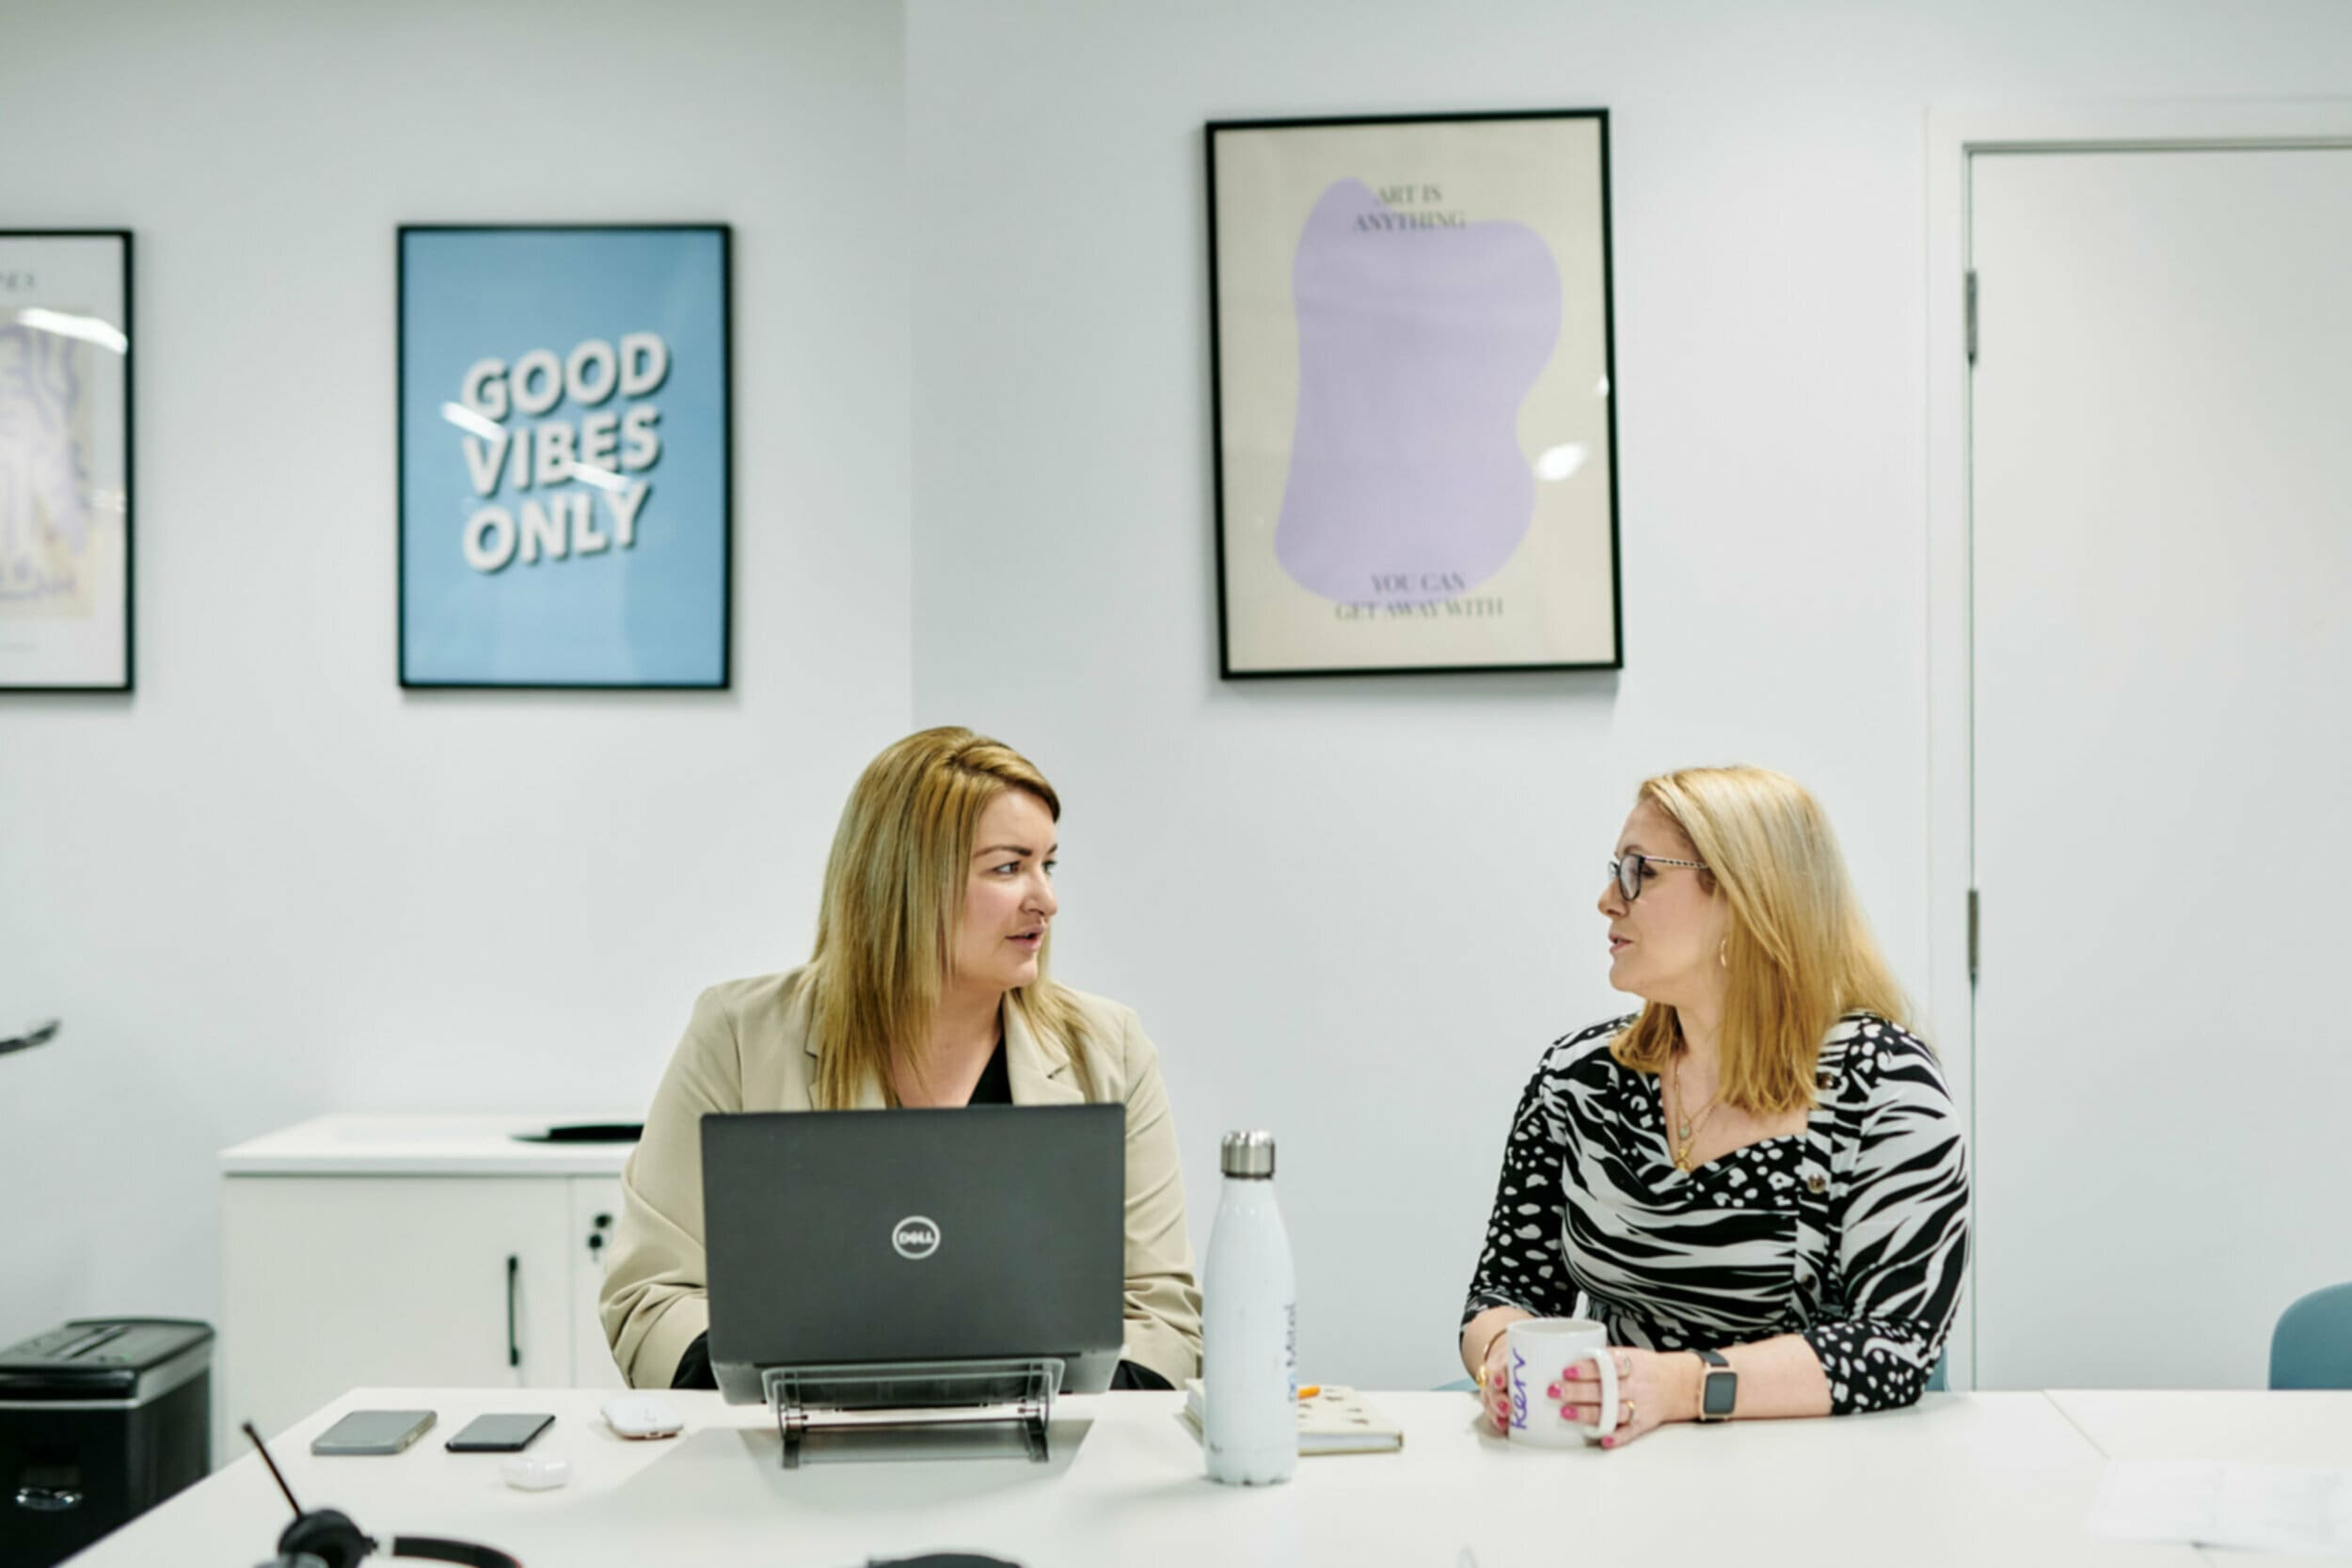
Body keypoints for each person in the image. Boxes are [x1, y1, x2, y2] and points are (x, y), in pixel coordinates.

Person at [600, 726, 1201, 1391]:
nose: (1046, 899)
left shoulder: (1109, 1047)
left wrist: (1053, 1405)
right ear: (907, 882)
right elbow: (651, 1291)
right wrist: (766, 1390)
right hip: (796, 1461)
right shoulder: (737, 1036)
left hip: (1039, 1462)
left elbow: (1162, 1313)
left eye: (1048, 864)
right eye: (1009, 867)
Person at [1460, 766, 1968, 1446]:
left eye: (1641, 872)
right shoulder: (1575, 1080)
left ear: (1743, 895)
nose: (1608, 899)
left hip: (1818, 1477)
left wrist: (1677, 1388)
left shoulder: (1884, 1085)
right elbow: (1505, 1288)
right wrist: (1501, 1358)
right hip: (1612, 1462)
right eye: (1616, 869)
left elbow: (1896, 1346)